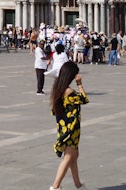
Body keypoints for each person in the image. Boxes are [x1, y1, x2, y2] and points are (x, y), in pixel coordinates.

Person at [49, 61, 89, 190]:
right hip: (71, 129)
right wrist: (79, 84)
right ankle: (55, 187)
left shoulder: (58, 88)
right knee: (68, 157)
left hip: (64, 127)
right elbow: (84, 99)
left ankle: (78, 185)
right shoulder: (69, 92)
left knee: (73, 156)